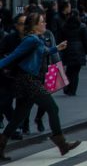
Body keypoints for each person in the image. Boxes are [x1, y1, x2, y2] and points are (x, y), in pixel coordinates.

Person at [0, 12, 80, 158]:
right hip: (28, 81)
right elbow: (13, 55)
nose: (45, 24)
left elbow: (45, 51)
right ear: (35, 25)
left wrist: (57, 48)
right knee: (52, 108)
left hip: (29, 81)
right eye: (42, 22)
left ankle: (0, 146)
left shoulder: (37, 39)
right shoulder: (32, 40)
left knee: (19, 117)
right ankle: (62, 144)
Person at [57, 11, 87, 96]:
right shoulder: (82, 26)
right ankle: (72, 90)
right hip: (79, 50)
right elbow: (86, 40)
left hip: (68, 49)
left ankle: (67, 87)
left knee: (69, 69)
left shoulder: (64, 27)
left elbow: (60, 38)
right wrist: (86, 50)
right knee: (75, 72)